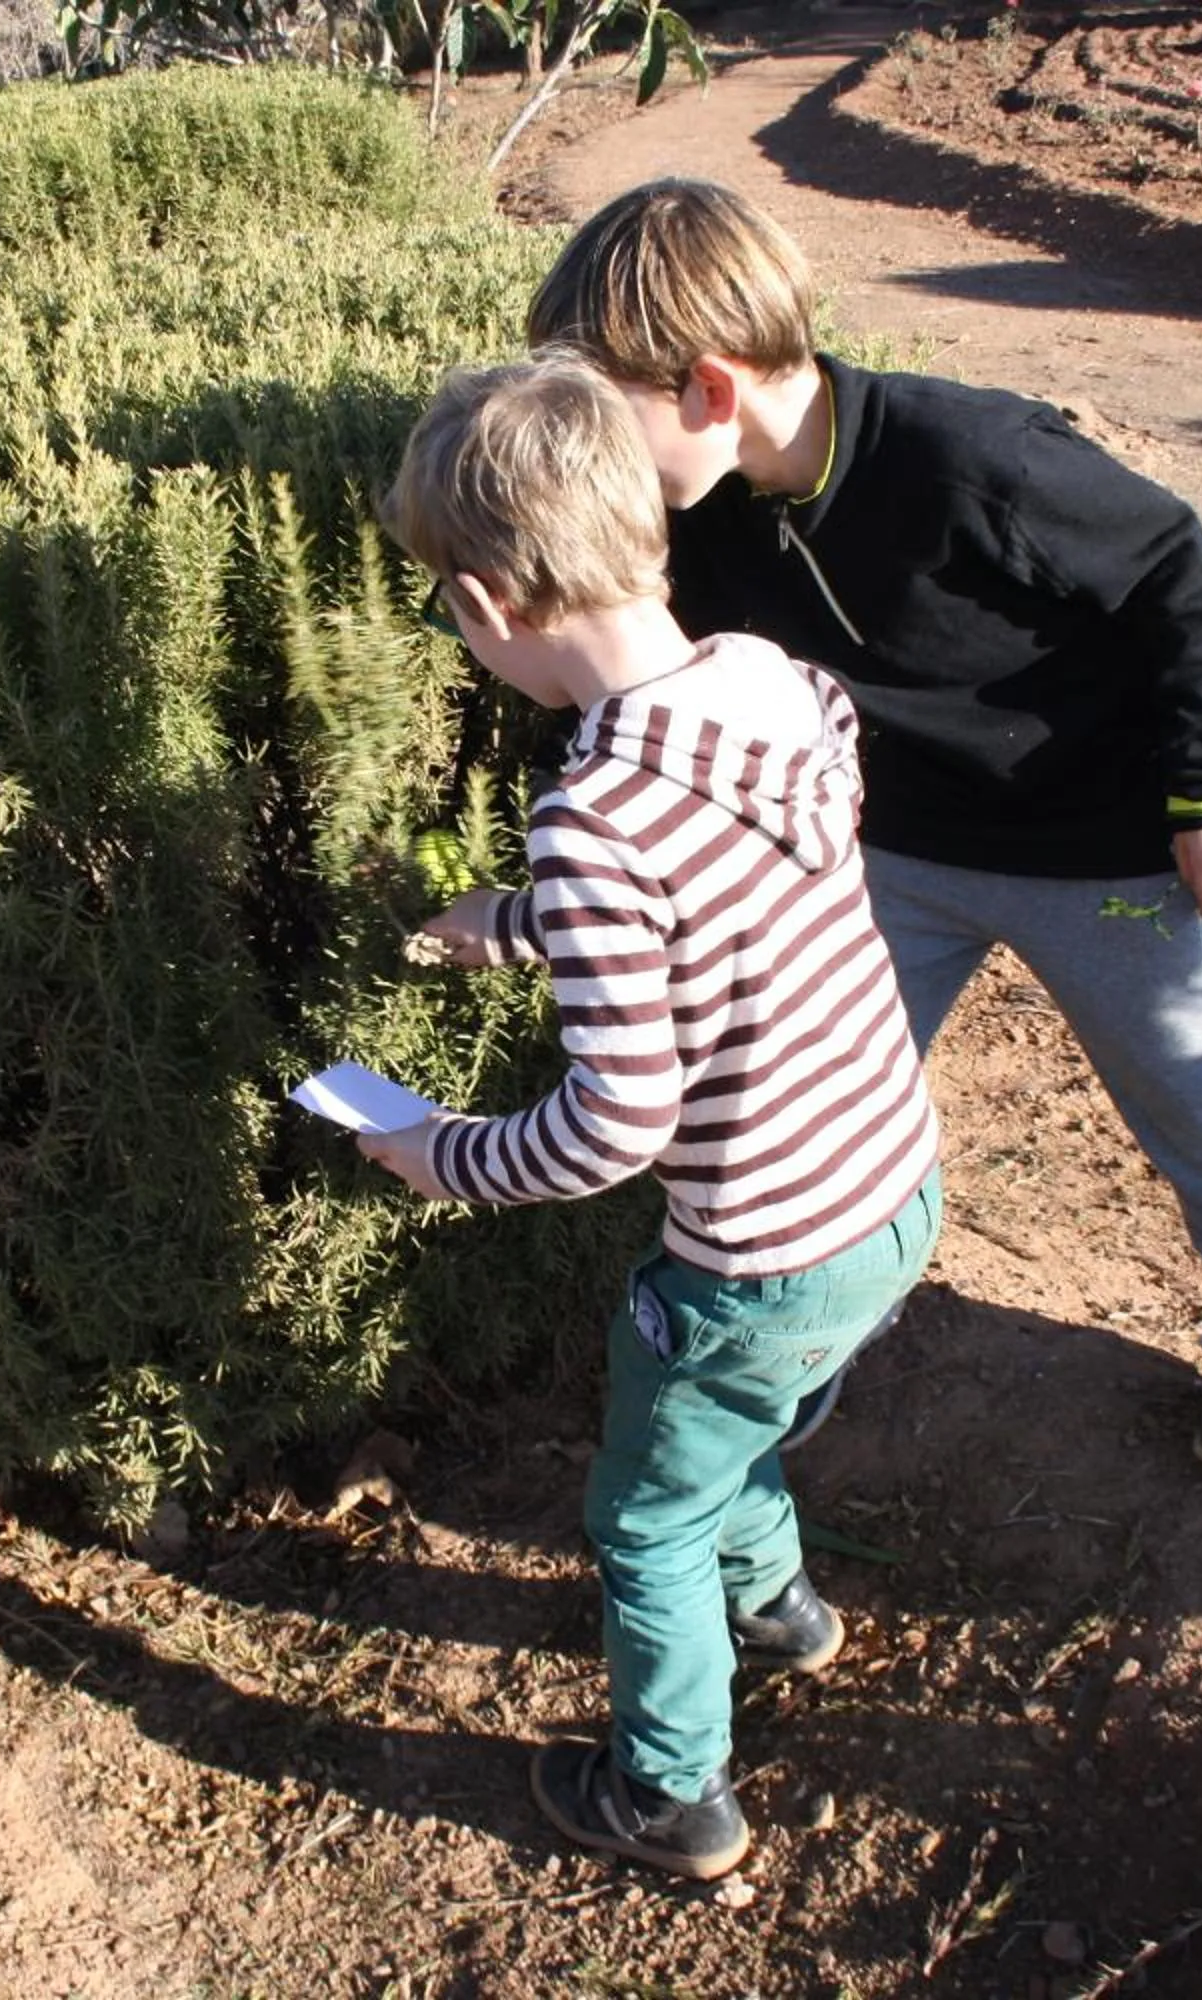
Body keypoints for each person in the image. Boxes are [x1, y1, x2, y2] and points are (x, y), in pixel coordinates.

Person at [523, 177, 1202, 1473]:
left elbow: (1177, 571)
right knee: (817, 1090)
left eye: (608, 423)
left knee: (1186, 1085)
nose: (596, 463)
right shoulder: (701, 516)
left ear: (710, 391)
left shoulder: (972, 457)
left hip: (1099, 848)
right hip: (894, 855)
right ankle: (811, 1329)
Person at [357, 353, 943, 1882]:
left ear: (483, 603)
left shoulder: (596, 815)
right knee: (734, 1432)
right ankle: (779, 1607)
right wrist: (529, 921)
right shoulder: (770, 685)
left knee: (643, 1514)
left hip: (756, 1256)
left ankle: (674, 1795)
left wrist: (441, 1155)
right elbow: (733, 904)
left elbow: (611, 1129)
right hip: (889, 1182)